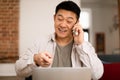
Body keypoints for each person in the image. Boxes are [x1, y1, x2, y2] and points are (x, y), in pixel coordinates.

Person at [15, 1, 104, 80]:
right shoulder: (40, 43)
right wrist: (35, 60)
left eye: (69, 21)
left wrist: (80, 44)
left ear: (76, 23)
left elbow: (97, 75)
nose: (63, 25)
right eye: (60, 19)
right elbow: (19, 71)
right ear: (54, 18)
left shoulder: (85, 46)